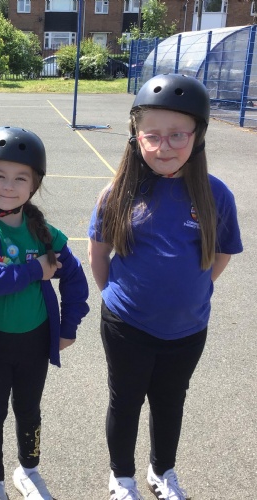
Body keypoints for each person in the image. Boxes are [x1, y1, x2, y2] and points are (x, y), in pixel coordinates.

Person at [88, 74, 243, 500]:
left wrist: (191, 292)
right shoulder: (118, 193)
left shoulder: (216, 195)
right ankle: (122, 477)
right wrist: (119, 300)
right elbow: (98, 255)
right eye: (152, 136)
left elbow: (221, 254)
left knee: (170, 402)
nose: (164, 147)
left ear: (198, 135)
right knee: (125, 401)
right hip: (126, 325)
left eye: (177, 135)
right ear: (136, 136)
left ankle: (162, 471)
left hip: (188, 329)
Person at [0, 126, 90, 500]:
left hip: (35, 341)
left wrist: (68, 325)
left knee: (29, 410)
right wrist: (35, 270)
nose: (9, 186)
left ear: (34, 184)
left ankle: (28, 470)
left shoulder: (44, 233)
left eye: (20, 178)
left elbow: (75, 278)